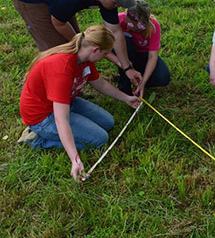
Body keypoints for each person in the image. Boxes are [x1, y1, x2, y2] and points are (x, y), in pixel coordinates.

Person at [18, 25, 140, 182]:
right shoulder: (61, 69)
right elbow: (61, 120)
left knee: (108, 122)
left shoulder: (84, 58)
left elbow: (100, 84)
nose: (105, 57)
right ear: (95, 50)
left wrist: (126, 98)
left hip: (67, 101)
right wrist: (75, 159)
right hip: (43, 116)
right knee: (100, 139)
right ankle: (37, 139)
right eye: (105, 53)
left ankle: (72, 126)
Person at [11, 0, 142, 87]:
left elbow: (115, 31)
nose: (118, 5)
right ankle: (59, 94)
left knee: (77, 45)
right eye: (116, 2)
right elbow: (59, 23)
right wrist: (81, 42)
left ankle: (73, 88)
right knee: (59, 50)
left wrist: (126, 67)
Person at [116, 0, 171, 98]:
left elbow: (152, 56)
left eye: (141, 26)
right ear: (126, 18)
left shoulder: (154, 26)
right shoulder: (118, 21)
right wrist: (125, 66)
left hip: (143, 56)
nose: (136, 29)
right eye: (132, 24)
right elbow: (105, 48)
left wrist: (143, 82)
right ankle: (125, 83)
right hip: (124, 54)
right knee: (125, 40)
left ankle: (139, 80)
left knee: (163, 78)